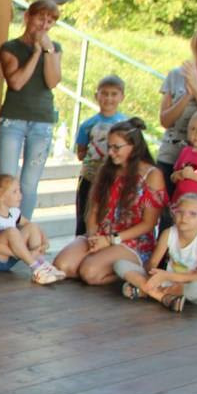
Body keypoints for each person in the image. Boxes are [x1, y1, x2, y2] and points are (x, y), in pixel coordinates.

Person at [53, 119, 167, 285]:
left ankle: (133, 273)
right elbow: (93, 210)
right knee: (63, 266)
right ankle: (102, 262)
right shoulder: (106, 170)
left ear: (134, 146)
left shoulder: (152, 175)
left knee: (89, 273)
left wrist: (111, 240)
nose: (111, 153)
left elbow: (149, 224)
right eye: (109, 147)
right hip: (101, 234)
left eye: (116, 147)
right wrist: (93, 236)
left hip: (132, 241)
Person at [0, 0, 64, 220]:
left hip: (42, 121)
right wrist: (35, 53)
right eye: (40, 19)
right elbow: (16, 82)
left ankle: (23, 226)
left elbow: (52, 81)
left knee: (30, 183)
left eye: (49, 21)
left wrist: (48, 51)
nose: (44, 26)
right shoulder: (10, 48)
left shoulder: (54, 48)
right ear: (27, 17)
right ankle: (3, 226)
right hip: (13, 120)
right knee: (6, 179)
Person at [0, 174, 64, 284]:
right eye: (15, 192)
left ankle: (41, 264)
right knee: (12, 232)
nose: (20, 195)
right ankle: (36, 267)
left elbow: (32, 226)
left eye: (19, 191)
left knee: (32, 227)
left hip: (8, 257)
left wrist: (45, 241)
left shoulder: (13, 212)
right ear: (0, 196)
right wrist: (23, 254)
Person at [117, 193, 197, 312]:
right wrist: (153, 275)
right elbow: (153, 263)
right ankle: (163, 297)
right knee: (120, 264)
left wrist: (166, 276)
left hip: (186, 284)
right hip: (166, 281)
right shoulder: (168, 233)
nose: (184, 217)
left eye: (193, 214)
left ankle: (145, 291)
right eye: (180, 212)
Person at [73, 75, 128, 235]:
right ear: (96, 95)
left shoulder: (126, 124)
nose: (108, 98)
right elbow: (81, 153)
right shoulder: (87, 125)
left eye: (114, 94)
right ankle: (80, 243)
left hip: (115, 179)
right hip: (90, 178)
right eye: (104, 93)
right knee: (84, 215)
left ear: (122, 97)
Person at [156, 29, 197, 203]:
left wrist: (196, 87)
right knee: (164, 209)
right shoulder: (176, 74)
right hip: (170, 155)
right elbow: (165, 121)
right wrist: (187, 96)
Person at [170, 111, 197, 202]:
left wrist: (192, 176)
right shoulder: (185, 151)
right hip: (178, 201)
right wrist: (178, 175)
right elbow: (173, 177)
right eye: (193, 129)